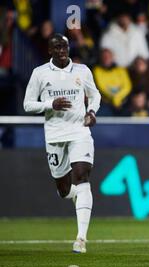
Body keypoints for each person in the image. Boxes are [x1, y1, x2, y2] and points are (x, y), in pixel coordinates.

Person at [23, 34, 101, 254]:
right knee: (65, 190)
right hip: (55, 135)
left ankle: (81, 239)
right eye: (56, 47)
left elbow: (95, 95)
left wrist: (92, 112)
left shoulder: (82, 71)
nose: (61, 50)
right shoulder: (40, 73)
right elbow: (28, 104)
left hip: (79, 131)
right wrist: (50, 104)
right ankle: (75, 193)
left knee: (82, 176)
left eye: (64, 46)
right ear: (50, 50)